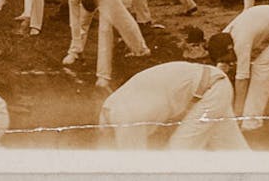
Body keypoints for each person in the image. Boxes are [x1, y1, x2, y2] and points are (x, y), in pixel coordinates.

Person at [99, 61, 249, 150]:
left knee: (178, 151)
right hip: (215, 83)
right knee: (231, 146)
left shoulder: (126, 118)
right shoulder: (117, 101)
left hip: (210, 91)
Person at [62, 0, 151, 90]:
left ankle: (139, 50)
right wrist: (76, 46)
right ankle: (75, 51)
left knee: (110, 27)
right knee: (82, 21)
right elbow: (74, 20)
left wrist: (103, 77)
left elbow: (106, 33)